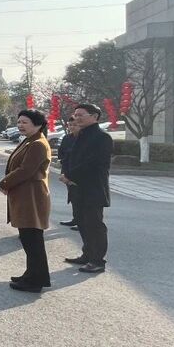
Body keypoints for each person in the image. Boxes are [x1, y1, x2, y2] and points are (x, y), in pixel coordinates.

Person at [0, 109, 53, 293]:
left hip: (32, 197)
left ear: (37, 124)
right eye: (19, 121)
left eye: (25, 122)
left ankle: (35, 280)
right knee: (28, 238)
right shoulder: (30, 140)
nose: (20, 125)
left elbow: (25, 170)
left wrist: (4, 183)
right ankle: (31, 274)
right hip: (26, 194)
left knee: (32, 239)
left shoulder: (37, 144)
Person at [61, 103, 113, 274]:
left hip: (93, 188)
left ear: (94, 116)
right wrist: (66, 174)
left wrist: (70, 175)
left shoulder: (101, 138)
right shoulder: (79, 135)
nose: (77, 117)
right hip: (77, 187)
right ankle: (87, 254)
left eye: (81, 114)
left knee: (94, 225)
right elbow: (69, 157)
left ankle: (98, 260)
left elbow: (93, 163)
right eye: (76, 114)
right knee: (82, 223)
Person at [56, 117, 79, 228]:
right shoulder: (66, 138)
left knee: (81, 198)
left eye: (75, 125)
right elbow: (61, 153)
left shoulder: (83, 139)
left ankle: (83, 221)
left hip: (78, 172)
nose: (72, 127)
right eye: (70, 125)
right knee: (72, 196)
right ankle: (76, 218)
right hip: (67, 170)